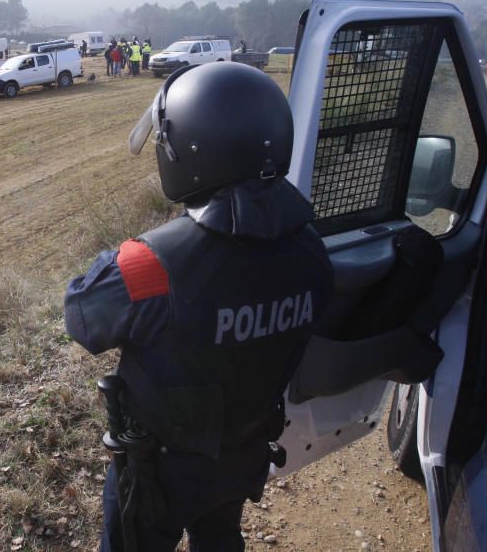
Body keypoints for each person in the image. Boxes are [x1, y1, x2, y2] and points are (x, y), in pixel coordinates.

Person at [65, 62, 333, 552]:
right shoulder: (314, 250)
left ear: (188, 151)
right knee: (220, 537)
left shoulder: (153, 263)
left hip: (159, 472)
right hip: (243, 453)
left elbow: (82, 318)